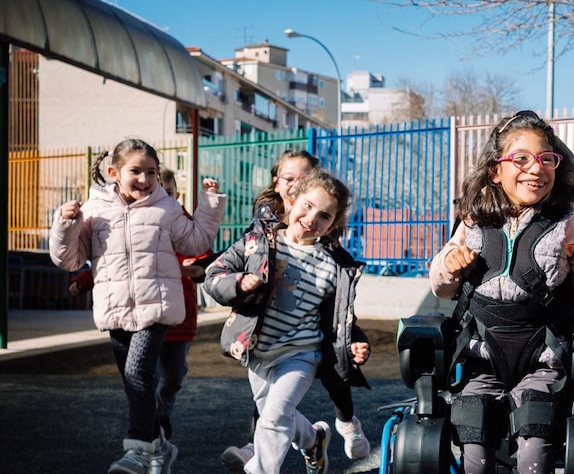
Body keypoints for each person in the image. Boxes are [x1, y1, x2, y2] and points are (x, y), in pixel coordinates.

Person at [429, 110, 574, 474]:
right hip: (483, 356)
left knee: (535, 445)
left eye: (547, 159)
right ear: (496, 171)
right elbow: (441, 286)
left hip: (543, 357)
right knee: (474, 441)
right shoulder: (472, 223)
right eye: (521, 158)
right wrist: (449, 265)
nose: (536, 168)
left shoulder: (566, 226)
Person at [49, 138, 225, 474]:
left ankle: (138, 450)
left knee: (138, 373)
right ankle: (161, 445)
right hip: (115, 310)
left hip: (157, 306)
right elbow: (70, 259)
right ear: (114, 172)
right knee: (134, 383)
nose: (144, 179)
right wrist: (66, 224)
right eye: (136, 171)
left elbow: (197, 241)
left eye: (151, 172)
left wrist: (210, 204)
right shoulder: (95, 210)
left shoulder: (166, 208)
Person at [204, 168, 371, 474]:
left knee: (273, 418)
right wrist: (238, 283)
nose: (311, 219)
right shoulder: (258, 243)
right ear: (292, 200)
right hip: (258, 352)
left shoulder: (332, 266)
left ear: (333, 224)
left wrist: (359, 340)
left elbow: (341, 318)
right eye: (307, 206)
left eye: (324, 216)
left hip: (300, 355)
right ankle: (313, 439)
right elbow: (214, 275)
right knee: (277, 413)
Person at [67, 167, 212, 442]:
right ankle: (151, 423)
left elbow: (200, 251)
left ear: (176, 196)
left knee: (174, 374)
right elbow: (115, 259)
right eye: (162, 192)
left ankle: (161, 412)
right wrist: (84, 280)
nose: (164, 197)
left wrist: (201, 268)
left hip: (179, 318)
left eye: (169, 193)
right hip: (147, 311)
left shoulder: (179, 222)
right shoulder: (140, 222)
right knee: (145, 373)